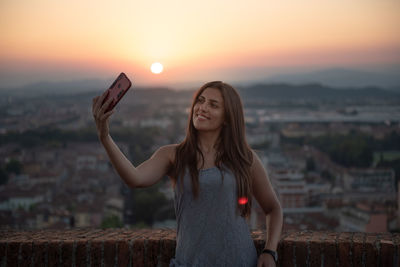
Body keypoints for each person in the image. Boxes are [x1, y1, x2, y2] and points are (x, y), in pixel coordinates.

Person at [92, 81, 283, 267]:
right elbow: (134, 178)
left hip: (240, 260)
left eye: (213, 105)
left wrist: (269, 251)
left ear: (227, 117)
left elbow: (273, 208)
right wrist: (105, 136)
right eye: (200, 101)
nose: (202, 107)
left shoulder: (245, 158)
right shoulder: (173, 155)